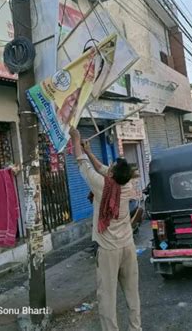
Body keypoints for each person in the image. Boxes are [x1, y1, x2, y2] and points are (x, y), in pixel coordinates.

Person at [69, 128, 142, 331]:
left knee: (107, 298)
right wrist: (90, 151)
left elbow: (80, 163)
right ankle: (136, 328)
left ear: (111, 174)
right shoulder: (125, 185)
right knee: (132, 293)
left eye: (111, 167)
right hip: (128, 247)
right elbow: (102, 169)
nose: (107, 168)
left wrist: (75, 140)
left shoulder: (102, 186)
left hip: (109, 250)